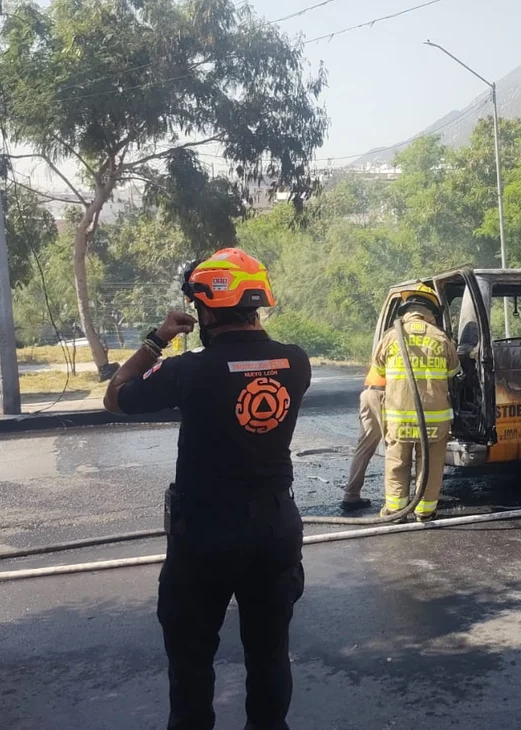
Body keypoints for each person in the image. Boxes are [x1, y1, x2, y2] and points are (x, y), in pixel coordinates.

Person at [103, 248, 311, 730]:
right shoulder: (296, 362)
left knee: (192, 657)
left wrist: (157, 340)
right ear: (256, 300)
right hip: (276, 527)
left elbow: (115, 399)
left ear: (205, 306)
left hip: (206, 533)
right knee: (270, 652)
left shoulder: (189, 369)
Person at [372, 282, 459, 521]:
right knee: (429, 466)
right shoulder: (441, 339)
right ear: (432, 311)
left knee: (397, 463)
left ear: (405, 309)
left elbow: (378, 369)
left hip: (399, 418)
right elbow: (454, 373)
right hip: (434, 420)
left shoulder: (391, 337)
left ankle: (396, 511)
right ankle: (425, 511)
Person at [340, 366, 385, 512]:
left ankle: (351, 495)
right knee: (396, 446)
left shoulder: (388, 343)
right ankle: (396, 499)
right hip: (388, 393)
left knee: (365, 446)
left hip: (369, 392)